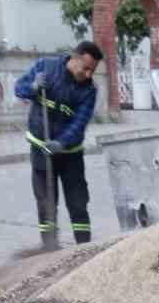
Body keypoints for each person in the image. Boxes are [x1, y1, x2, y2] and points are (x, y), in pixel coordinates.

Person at [14, 41, 104, 252]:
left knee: (78, 203)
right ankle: (49, 247)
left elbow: (79, 123)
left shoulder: (89, 90)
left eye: (93, 70)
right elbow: (19, 88)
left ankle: (84, 250)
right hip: (40, 149)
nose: (89, 74)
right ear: (74, 59)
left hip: (70, 155)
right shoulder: (45, 67)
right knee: (46, 202)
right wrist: (33, 87)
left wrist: (61, 143)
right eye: (86, 68)